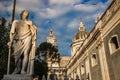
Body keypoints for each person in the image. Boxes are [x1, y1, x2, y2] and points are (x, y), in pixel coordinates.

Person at [8, 10, 37, 74]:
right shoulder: (15, 22)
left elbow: (33, 31)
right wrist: (11, 41)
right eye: (25, 12)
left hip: (28, 37)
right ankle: (18, 69)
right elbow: (12, 32)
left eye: (27, 13)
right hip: (19, 39)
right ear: (22, 14)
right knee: (17, 56)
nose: (27, 13)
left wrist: (34, 28)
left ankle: (23, 70)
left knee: (25, 53)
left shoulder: (29, 22)